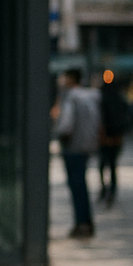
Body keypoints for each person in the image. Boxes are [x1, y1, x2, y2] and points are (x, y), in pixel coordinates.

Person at [52, 69, 101, 236]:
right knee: (82, 185)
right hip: (87, 145)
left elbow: (66, 125)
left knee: (76, 186)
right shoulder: (91, 96)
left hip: (73, 147)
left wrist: (58, 130)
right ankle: (86, 222)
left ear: (71, 79)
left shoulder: (70, 97)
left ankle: (81, 224)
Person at [97, 73, 130, 207]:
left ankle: (105, 189)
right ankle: (111, 190)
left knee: (103, 164)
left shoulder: (102, 97)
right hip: (115, 137)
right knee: (112, 165)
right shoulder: (119, 98)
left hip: (105, 137)